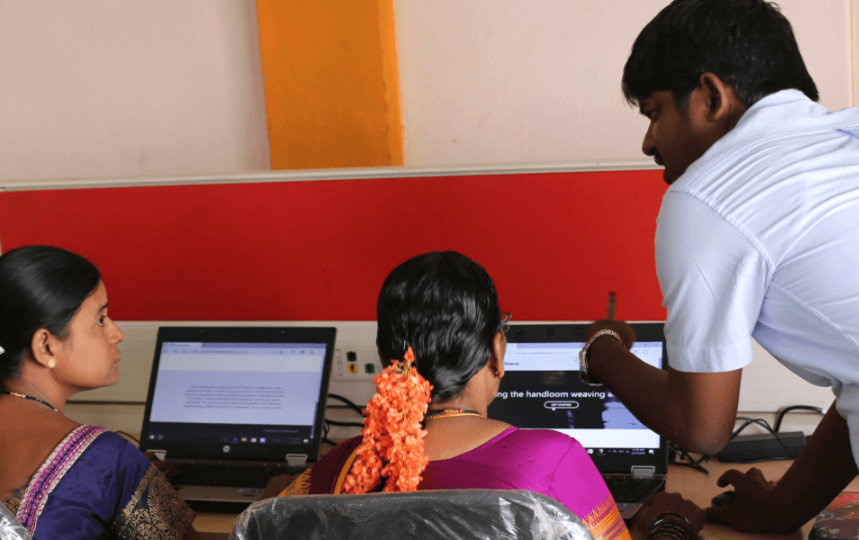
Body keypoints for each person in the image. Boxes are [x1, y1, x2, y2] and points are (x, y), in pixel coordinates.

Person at [582, 0, 859, 533]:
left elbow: (700, 427)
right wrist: (782, 510)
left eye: (654, 112)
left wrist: (601, 353)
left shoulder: (707, 197)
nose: (648, 143)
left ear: (710, 96)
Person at [267, 251, 703, 539]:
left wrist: (279, 495)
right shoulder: (554, 462)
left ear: (386, 360)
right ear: (497, 351)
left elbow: (271, 518)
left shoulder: (342, 468)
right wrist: (667, 527)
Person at [0, 245, 198, 539]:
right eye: (100, 319)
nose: (117, 333)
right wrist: (273, 502)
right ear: (46, 346)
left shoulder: (107, 460)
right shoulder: (106, 457)